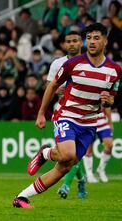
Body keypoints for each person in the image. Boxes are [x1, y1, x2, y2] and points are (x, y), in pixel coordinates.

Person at [12, 23, 121, 208]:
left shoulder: (114, 71)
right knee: (68, 154)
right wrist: (41, 113)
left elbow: (110, 100)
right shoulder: (72, 64)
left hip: (89, 123)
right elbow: (52, 86)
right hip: (67, 115)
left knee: (65, 165)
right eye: (89, 38)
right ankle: (46, 154)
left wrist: (108, 101)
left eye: (96, 38)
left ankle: (22, 195)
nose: (92, 42)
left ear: (105, 40)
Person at [45, 31, 88, 199]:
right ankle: (71, 184)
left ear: (80, 43)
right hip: (63, 110)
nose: (72, 44)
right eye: (68, 41)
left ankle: (78, 181)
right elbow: (49, 85)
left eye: (75, 41)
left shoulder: (89, 62)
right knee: (67, 153)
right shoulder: (58, 63)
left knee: (74, 154)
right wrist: (57, 89)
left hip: (85, 112)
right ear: (64, 44)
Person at [83, 107, 114, 183]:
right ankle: (89, 174)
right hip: (89, 122)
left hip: (102, 122)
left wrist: (110, 122)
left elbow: (107, 105)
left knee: (110, 145)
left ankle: (101, 170)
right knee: (88, 149)